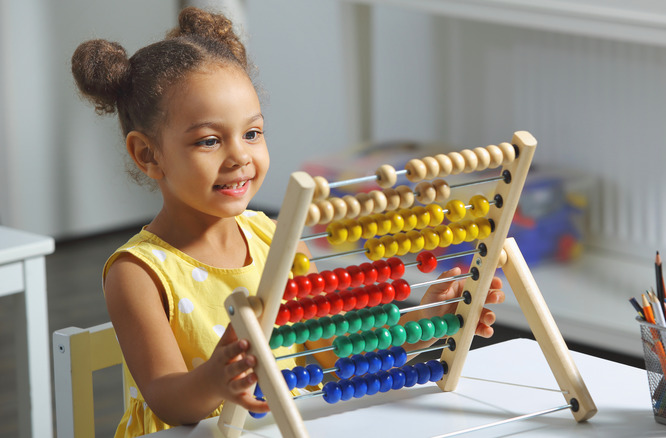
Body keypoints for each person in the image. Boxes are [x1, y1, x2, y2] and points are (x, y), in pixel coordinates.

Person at [72, 7, 504, 437]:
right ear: (148, 154)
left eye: (252, 133)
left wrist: (426, 323)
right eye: (209, 140)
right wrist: (215, 380)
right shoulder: (138, 273)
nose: (240, 156)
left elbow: (334, 353)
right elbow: (166, 399)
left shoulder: (276, 240)